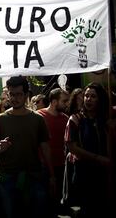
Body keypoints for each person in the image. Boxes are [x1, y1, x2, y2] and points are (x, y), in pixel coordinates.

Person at [0, 76, 54, 218]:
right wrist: (1, 148)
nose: (14, 98)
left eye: (18, 94)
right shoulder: (0, 120)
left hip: (34, 177)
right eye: (11, 94)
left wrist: (52, 175)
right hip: (8, 178)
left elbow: (45, 148)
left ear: (26, 95)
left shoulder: (38, 119)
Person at [64, 82, 111, 217]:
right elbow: (71, 146)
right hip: (83, 171)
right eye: (86, 96)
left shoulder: (104, 120)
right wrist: (97, 158)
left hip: (103, 171)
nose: (88, 99)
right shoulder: (75, 119)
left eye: (93, 96)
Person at [37, 88, 69, 216]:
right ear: (54, 101)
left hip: (61, 166)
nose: (67, 104)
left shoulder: (66, 119)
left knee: (56, 201)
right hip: (42, 166)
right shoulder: (39, 116)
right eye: (64, 101)